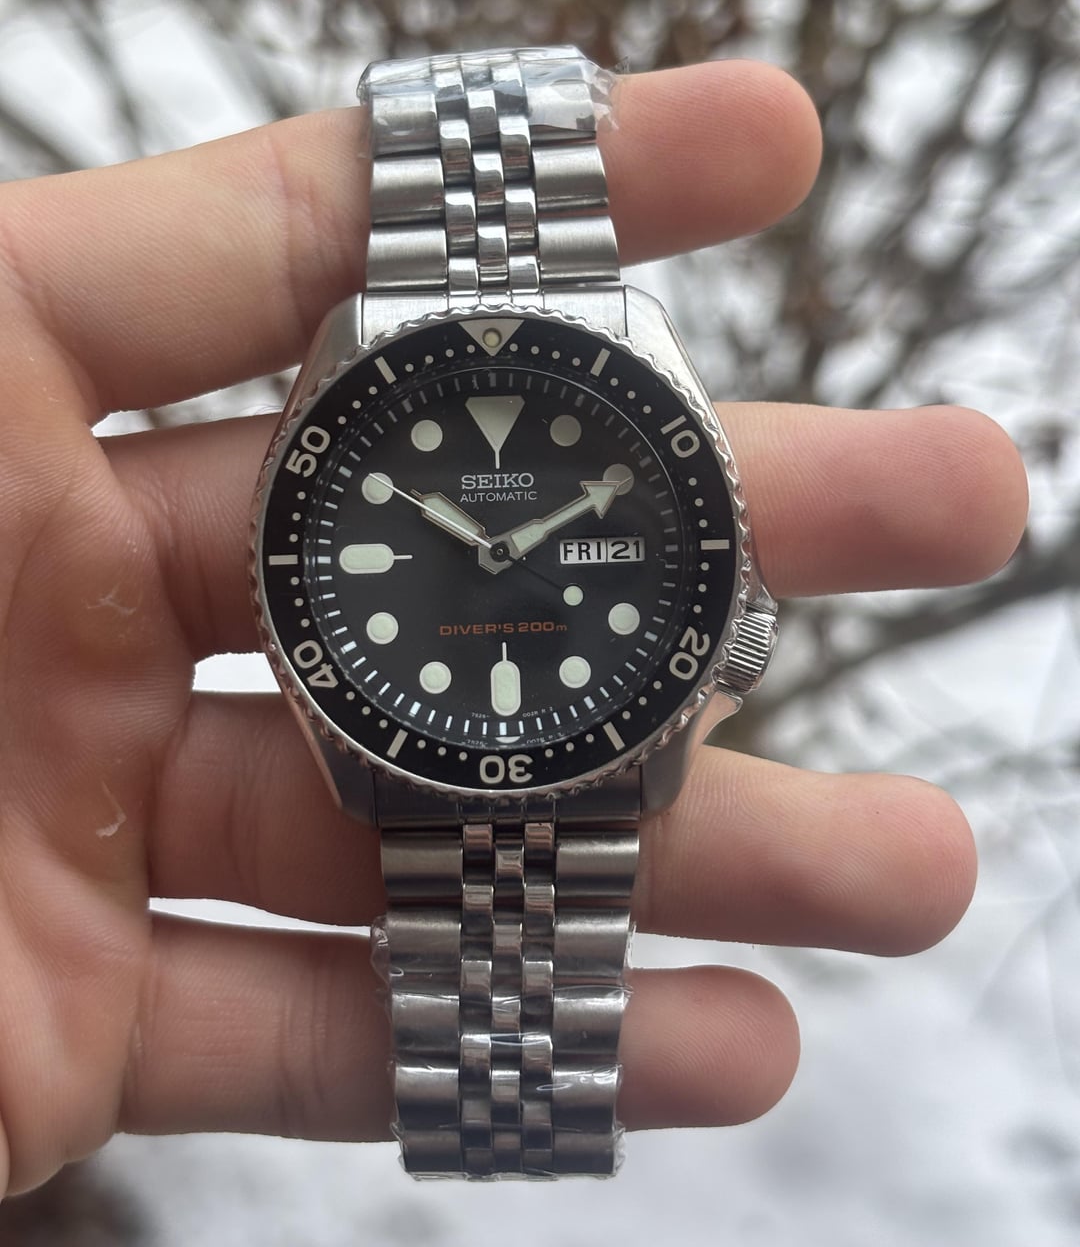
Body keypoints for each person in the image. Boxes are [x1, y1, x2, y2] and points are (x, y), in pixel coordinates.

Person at [0, 59, 1027, 1198]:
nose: (494, 558)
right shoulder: (415, 363)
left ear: (726, 620)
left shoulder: (576, 359)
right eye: (480, 545)